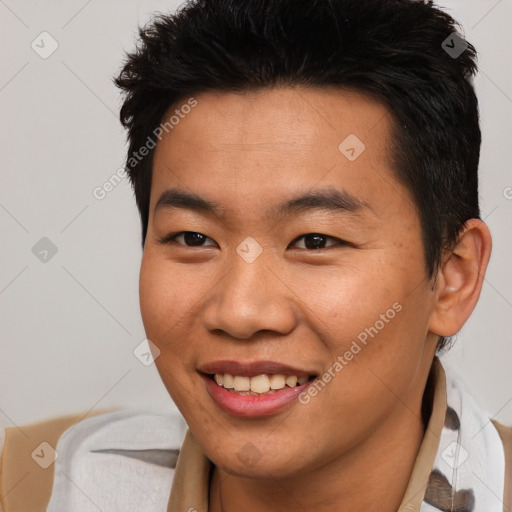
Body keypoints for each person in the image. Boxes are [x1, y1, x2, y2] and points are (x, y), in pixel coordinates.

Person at [1, 0, 510, 511]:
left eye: (315, 241)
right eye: (194, 238)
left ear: (452, 275)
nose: (240, 313)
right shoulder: (36, 482)